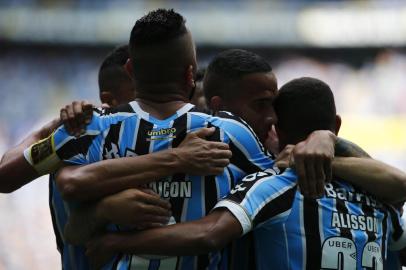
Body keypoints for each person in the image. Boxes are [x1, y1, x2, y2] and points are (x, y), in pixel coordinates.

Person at [23, 9, 342, 270]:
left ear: (131, 70)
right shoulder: (231, 133)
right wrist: (325, 137)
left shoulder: (85, 128)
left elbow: (71, 228)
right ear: (191, 75)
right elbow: (286, 185)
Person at [87, 77, 406, 269]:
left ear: (276, 129)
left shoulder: (275, 184)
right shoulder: (376, 197)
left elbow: (208, 235)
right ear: (336, 126)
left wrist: (117, 242)